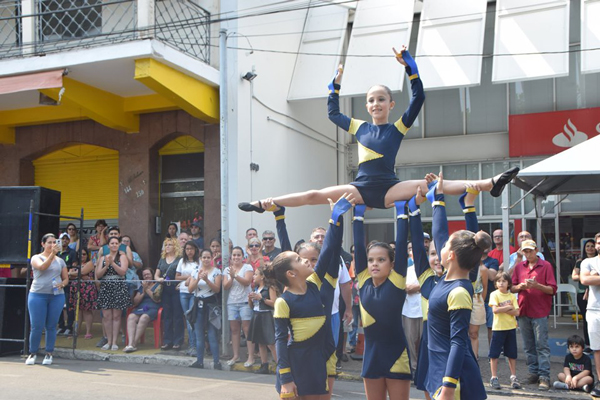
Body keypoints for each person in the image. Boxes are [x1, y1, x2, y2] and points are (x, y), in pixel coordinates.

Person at [239, 47, 518, 213]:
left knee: (432, 185)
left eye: (381, 99)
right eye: (371, 100)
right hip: (359, 188)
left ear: (390, 104)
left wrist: (411, 68)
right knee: (314, 194)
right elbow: (332, 113)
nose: (375, 104)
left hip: (389, 188)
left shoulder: (397, 128)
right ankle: (265, 203)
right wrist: (334, 87)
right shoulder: (358, 126)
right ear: (367, 105)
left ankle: (488, 184)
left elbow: (418, 98)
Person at [266, 194, 352, 398]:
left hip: (318, 360)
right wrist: (286, 378)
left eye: (311, 259)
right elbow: (280, 340)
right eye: (299, 259)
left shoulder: (315, 283)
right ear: (291, 273)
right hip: (296, 364)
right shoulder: (283, 301)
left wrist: (335, 217)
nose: (306, 261)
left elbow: (329, 249)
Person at [425, 174, 489, 400]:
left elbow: (458, 342)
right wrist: (441, 198)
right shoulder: (452, 277)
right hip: (441, 368)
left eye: (444, 247)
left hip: (455, 379)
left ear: (451, 255)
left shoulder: (459, 291)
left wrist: (449, 386)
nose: (440, 247)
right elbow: (442, 233)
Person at [352, 200, 412, 399]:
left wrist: (402, 212)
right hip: (372, 356)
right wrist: (358, 215)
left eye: (381, 260)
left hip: (396, 355)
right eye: (371, 260)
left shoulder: (397, 280)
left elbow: (401, 244)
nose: (374, 264)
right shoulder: (363, 280)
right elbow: (358, 245)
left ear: (392, 264)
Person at [511, 239, 557, 391]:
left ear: (536, 250)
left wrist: (537, 286)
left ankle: (544, 376)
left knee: (541, 345)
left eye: (530, 251)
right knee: (528, 345)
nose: (528, 254)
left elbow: (552, 289)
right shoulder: (519, 267)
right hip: (524, 309)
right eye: (525, 251)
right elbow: (512, 288)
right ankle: (533, 373)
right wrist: (521, 286)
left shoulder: (546, 265)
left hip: (540, 310)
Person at [25, 233, 69, 365]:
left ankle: (49, 353)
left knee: (51, 326)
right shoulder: (36, 257)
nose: (52, 245)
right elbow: (42, 267)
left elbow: (66, 278)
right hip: (38, 294)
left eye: (54, 242)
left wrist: (62, 284)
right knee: (36, 326)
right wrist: (52, 255)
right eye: (49, 242)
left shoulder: (60, 261)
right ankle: (33, 352)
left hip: (56, 295)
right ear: (43, 244)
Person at [188, 248, 222, 369]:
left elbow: (217, 289)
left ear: (211, 258)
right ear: (200, 259)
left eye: (208, 257)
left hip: (211, 305)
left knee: (212, 334)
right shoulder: (195, 271)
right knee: (199, 334)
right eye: (204, 257)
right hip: (198, 304)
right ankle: (199, 361)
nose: (206, 260)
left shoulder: (216, 272)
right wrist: (198, 278)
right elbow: (190, 289)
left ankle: (216, 362)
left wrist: (207, 280)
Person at [96, 236, 130, 351]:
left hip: (118, 286)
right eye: (112, 243)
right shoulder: (102, 258)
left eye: (116, 243)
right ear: (108, 245)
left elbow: (123, 272)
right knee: (107, 316)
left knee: (116, 316)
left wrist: (113, 263)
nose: (114, 245)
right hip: (106, 287)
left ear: (119, 245)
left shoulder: (122, 256)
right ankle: (108, 341)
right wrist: (106, 265)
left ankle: (115, 342)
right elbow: (98, 275)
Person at [488, 272, 521, 390]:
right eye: (499, 281)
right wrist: (508, 307)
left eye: (504, 281)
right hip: (498, 328)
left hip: (510, 327)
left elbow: (517, 312)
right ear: (496, 284)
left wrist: (503, 309)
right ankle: (494, 377)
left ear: (509, 283)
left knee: (512, 353)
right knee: (494, 354)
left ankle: (513, 377)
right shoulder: (494, 294)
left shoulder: (512, 296)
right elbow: (495, 310)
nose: (501, 283)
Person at [224, 246, 254, 366]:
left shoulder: (247, 267)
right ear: (231, 257)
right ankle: (236, 356)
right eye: (234, 255)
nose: (236, 257)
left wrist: (235, 275)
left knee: (247, 329)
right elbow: (226, 286)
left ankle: (251, 356)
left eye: (238, 255)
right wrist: (231, 277)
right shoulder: (227, 269)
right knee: (234, 330)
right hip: (232, 302)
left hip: (245, 302)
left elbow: (247, 282)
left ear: (242, 256)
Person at [579, 233, 600, 397]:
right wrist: (591, 277)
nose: (599, 245)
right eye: (598, 242)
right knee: (597, 349)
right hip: (594, 310)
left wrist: (596, 276)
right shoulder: (587, 262)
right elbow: (584, 280)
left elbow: (590, 279)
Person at [154, 237, 184, 350]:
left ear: (175, 246)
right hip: (165, 289)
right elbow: (156, 274)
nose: (167, 247)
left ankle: (178, 341)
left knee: (177, 315)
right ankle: (167, 341)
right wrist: (158, 279)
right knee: (167, 315)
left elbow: (182, 273)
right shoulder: (162, 259)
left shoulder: (179, 259)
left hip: (175, 288)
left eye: (170, 245)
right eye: (166, 245)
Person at [247, 266, 278, 374]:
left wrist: (262, 298)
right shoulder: (256, 288)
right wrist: (250, 299)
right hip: (257, 314)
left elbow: (274, 303)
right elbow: (252, 306)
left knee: (270, 343)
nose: (253, 276)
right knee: (260, 342)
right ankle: (264, 365)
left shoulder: (270, 288)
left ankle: (280, 365)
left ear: (262, 276)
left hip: (266, 315)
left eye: (256, 274)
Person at [124, 267, 162, 353]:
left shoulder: (158, 285)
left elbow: (156, 299)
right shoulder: (142, 286)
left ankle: (134, 343)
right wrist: (143, 292)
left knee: (144, 317)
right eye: (144, 275)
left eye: (148, 274)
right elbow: (135, 302)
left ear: (152, 275)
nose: (146, 276)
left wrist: (147, 289)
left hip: (153, 308)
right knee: (131, 317)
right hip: (141, 307)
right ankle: (130, 343)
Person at [572, 238, 597, 352]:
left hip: (596, 294)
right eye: (588, 246)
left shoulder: (597, 261)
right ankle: (588, 344)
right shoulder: (580, 261)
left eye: (592, 246)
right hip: (583, 294)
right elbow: (574, 276)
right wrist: (587, 277)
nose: (590, 248)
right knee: (587, 320)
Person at [176, 240, 201, 356]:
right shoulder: (182, 261)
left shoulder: (199, 261)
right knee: (187, 318)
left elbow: (200, 274)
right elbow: (177, 276)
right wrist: (190, 276)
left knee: (193, 318)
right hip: (183, 291)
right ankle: (191, 345)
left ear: (195, 250)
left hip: (195, 292)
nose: (189, 251)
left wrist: (191, 278)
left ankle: (195, 346)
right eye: (187, 249)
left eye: (191, 249)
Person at [68, 247, 98, 339]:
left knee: (86, 310)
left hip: (87, 289)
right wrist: (75, 274)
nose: (82, 256)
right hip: (76, 288)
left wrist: (73, 273)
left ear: (87, 255)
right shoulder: (75, 264)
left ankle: (88, 332)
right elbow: (71, 275)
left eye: (84, 254)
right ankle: (76, 332)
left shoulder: (90, 263)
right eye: (80, 254)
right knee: (78, 311)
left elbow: (82, 272)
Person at [57, 232, 78, 336]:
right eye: (62, 239)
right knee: (58, 305)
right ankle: (61, 326)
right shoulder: (56, 253)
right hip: (57, 282)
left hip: (68, 282)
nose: (64, 241)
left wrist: (67, 274)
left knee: (69, 305)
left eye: (66, 239)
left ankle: (69, 326)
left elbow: (74, 267)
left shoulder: (72, 252)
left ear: (69, 241)